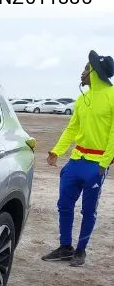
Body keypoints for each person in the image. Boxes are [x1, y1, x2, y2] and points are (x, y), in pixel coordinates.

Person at [42, 50, 114, 267]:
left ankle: (80, 251)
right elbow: (72, 128)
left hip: (96, 164)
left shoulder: (112, 96)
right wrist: (57, 151)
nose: (82, 73)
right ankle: (65, 247)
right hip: (75, 161)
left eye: (85, 69)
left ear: (95, 71)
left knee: (88, 210)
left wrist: (103, 164)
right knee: (64, 205)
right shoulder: (82, 99)